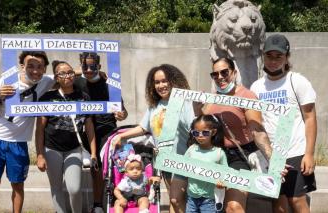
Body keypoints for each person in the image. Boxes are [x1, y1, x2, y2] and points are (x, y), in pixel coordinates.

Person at [0, 51, 54, 213]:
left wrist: (92, 72)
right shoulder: (8, 81)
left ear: (45, 69)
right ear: (22, 66)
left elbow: (65, 73)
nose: (35, 70)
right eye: (31, 66)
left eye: (39, 67)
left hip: (18, 142)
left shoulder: (45, 81)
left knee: (18, 184)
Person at [113, 64, 195, 213]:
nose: (161, 85)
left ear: (173, 81)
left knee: (176, 199)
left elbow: (194, 128)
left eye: (164, 81)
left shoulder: (185, 102)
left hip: (182, 158)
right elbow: (143, 128)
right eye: (157, 82)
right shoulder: (154, 106)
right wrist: (121, 135)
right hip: (164, 160)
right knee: (174, 200)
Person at [250, 34, 317, 213]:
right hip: (271, 155)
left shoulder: (298, 81)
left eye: (278, 56)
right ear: (263, 56)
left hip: (296, 151)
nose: (273, 61)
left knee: (297, 201)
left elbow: (310, 118)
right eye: (269, 56)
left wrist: (309, 154)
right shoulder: (256, 87)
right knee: (278, 205)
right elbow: (256, 123)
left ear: (287, 57)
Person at [200, 57, 273, 213]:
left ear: (233, 72)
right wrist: (196, 108)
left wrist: (273, 160)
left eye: (224, 72)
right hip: (214, 156)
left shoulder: (247, 96)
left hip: (239, 156)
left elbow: (257, 130)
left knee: (233, 206)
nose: (219, 77)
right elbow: (201, 127)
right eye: (215, 74)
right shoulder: (212, 98)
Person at [35, 60, 97, 213]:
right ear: (56, 77)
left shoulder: (83, 97)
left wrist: (94, 153)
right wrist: (40, 154)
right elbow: (39, 129)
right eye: (62, 73)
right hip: (52, 149)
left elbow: (89, 127)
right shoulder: (47, 98)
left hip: (74, 149)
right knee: (56, 187)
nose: (67, 75)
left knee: (74, 189)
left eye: (70, 72)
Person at [73, 52, 128, 213]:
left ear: (100, 66)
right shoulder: (76, 82)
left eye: (93, 66)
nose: (89, 70)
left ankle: (108, 203)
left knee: (108, 167)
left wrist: (122, 114)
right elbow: (56, 78)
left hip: (107, 130)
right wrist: (80, 71)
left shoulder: (110, 84)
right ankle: (96, 204)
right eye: (85, 66)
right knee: (93, 167)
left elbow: (123, 112)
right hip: (83, 131)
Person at [185, 114, 227, 213]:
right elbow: (181, 166)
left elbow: (225, 174)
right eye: (196, 133)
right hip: (191, 197)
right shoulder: (191, 150)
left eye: (205, 133)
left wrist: (222, 183)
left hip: (210, 199)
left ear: (213, 132)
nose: (200, 136)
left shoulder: (219, 153)